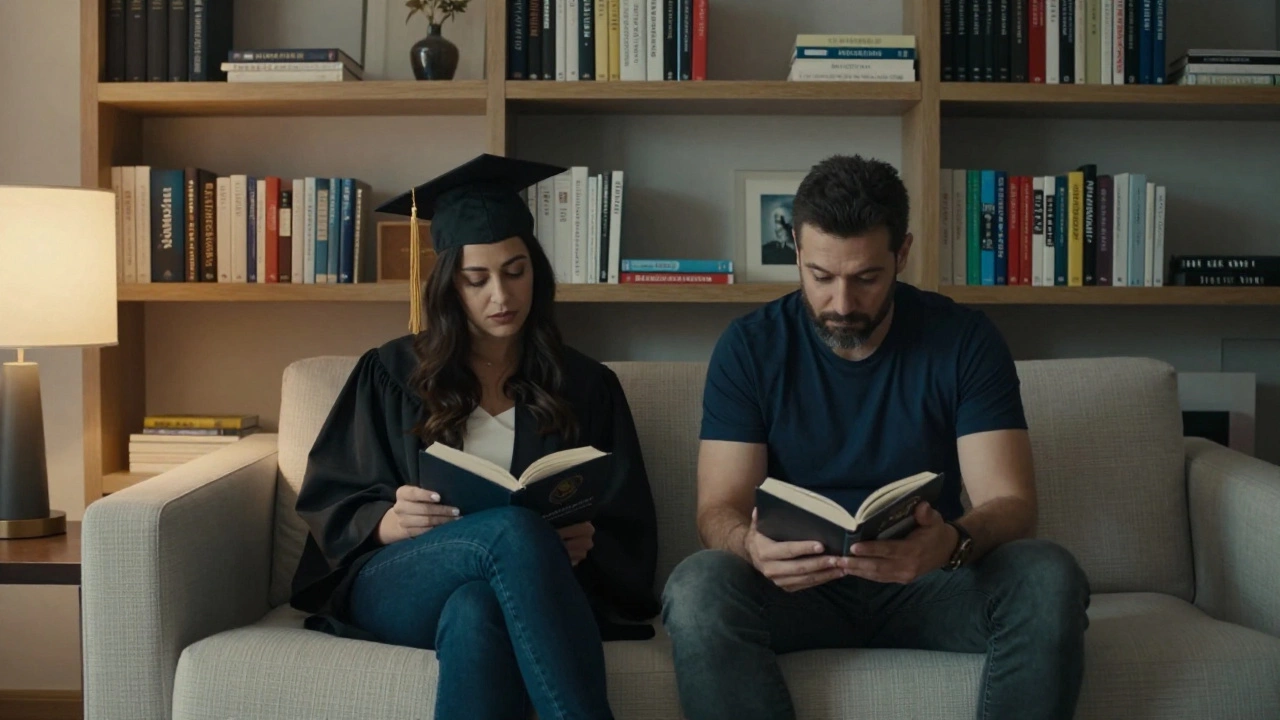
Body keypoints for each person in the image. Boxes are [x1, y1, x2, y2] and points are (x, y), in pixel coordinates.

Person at [661, 154, 1091, 720]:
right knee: (697, 585)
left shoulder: (965, 340)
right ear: (796, 252)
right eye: (821, 277)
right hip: (798, 590)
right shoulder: (749, 348)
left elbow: (1011, 505)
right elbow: (718, 507)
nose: (841, 304)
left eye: (866, 278)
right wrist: (751, 548)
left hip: (928, 581)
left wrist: (952, 541)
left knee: (1048, 574)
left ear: (902, 254)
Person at [288, 154, 660, 720]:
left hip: (520, 588)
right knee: (513, 530)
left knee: (475, 608)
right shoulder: (391, 373)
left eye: (515, 271)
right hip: (402, 579)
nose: (501, 296)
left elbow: (627, 522)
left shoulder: (584, 385)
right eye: (476, 279)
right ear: (449, 285)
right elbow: (328, 496)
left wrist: (586, 546)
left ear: (536, 269)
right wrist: (385, 521)